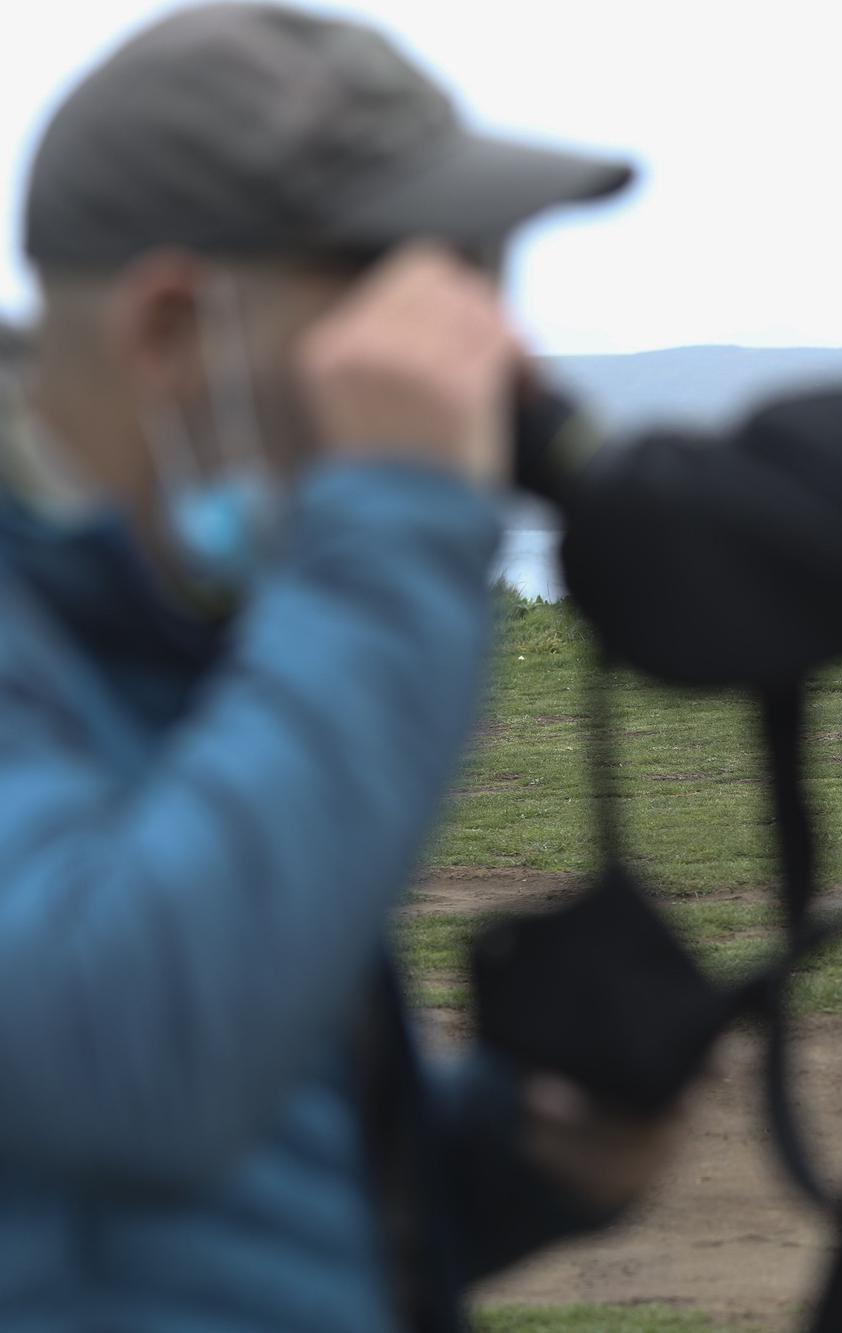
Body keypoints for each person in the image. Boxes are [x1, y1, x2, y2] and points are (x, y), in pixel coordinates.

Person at [0, 6, 685, 1328]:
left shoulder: (170, 626)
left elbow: (135, 1214)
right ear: (171, 333)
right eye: (403, 306)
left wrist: (504, 1160)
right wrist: (395, 524)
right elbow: (125, 1057)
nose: (474, 371)